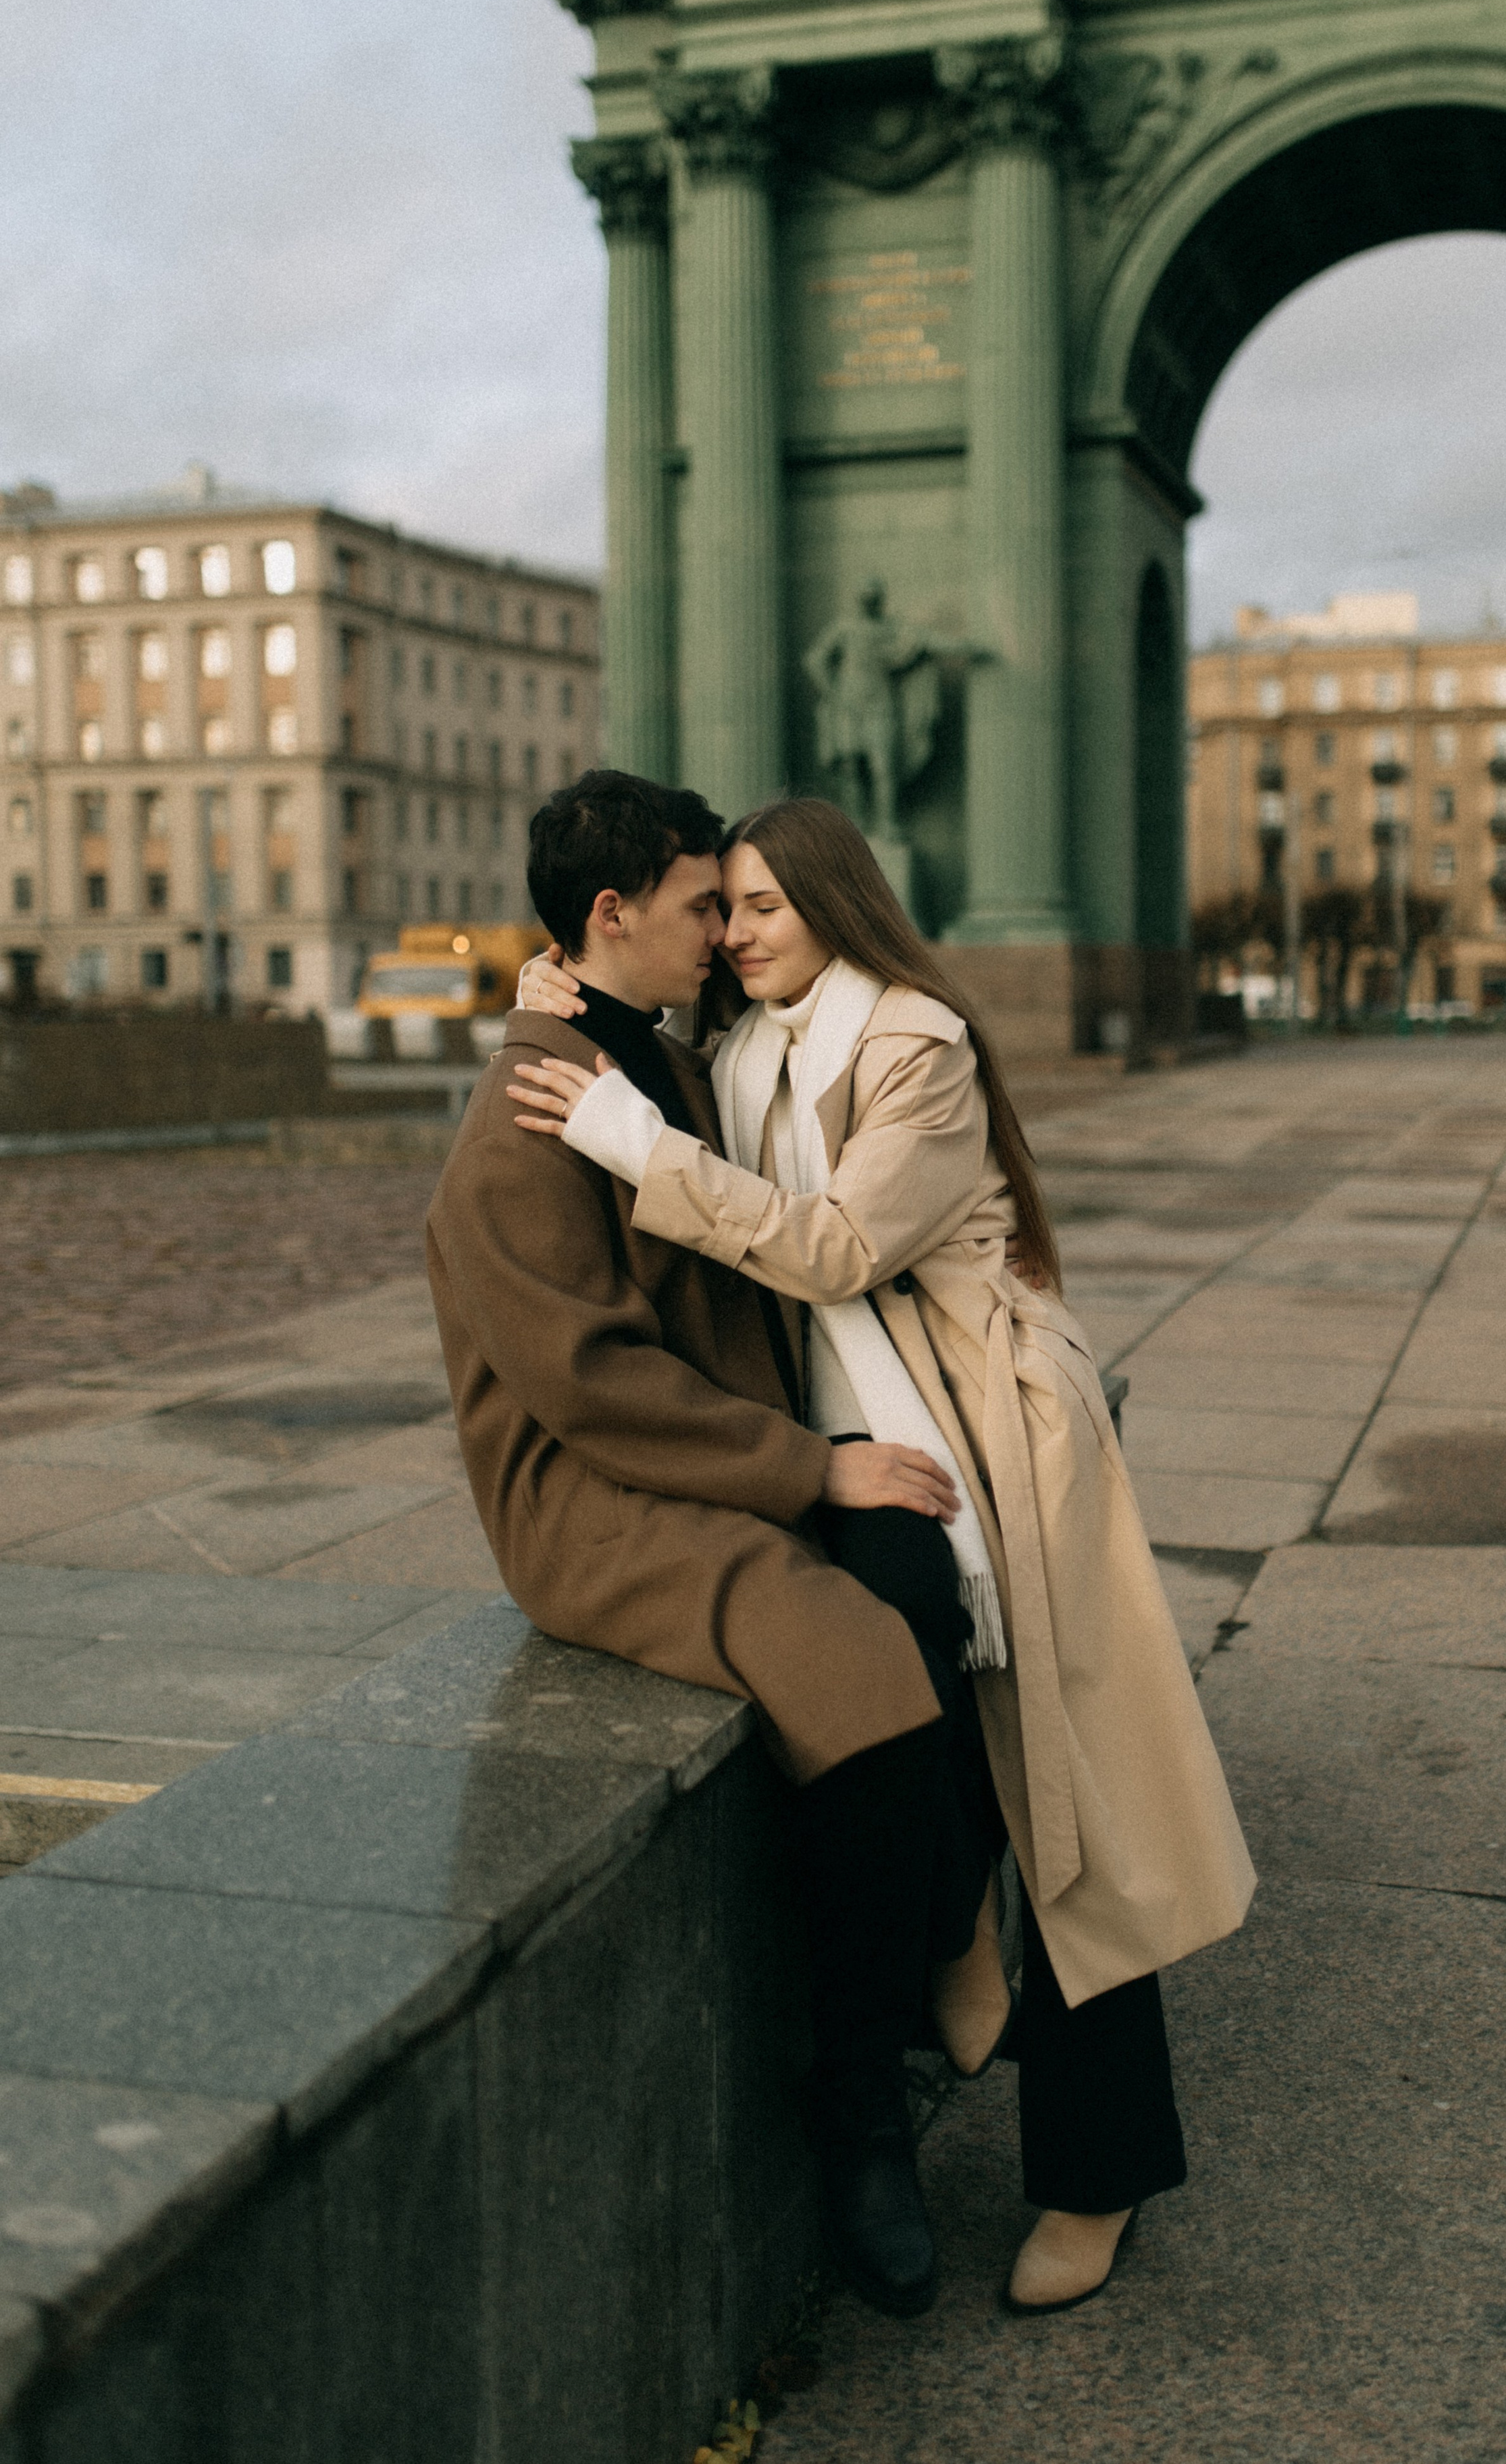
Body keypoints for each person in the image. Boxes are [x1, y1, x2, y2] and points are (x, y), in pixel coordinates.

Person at [513, 793, 1255, 2317]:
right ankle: (947, 1946)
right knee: (903, 1669)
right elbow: (641, 1032)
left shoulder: (916, 1044)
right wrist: (560, 1006)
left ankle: (1095, 2172)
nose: (736, 931)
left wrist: (620, 1134)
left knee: (1080, 1803)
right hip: (866, 1432)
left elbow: (838, 1247)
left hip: (990, 1429)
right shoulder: (747, 1042)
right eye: (721, 906)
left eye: (766, 905)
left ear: (836, 907)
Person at [426, 768, 978, 2321]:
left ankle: (948, 1926)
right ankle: (856, 2104)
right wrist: (816, 1470)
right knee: (856, 1662)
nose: (723, 934)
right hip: (591, 1493)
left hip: (703, 1455)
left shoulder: (647, 1051)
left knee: (922, 1581)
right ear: (613, 916)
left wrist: (831, 1473)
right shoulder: (529, 1113)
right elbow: (588, 1387)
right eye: (698, 906)